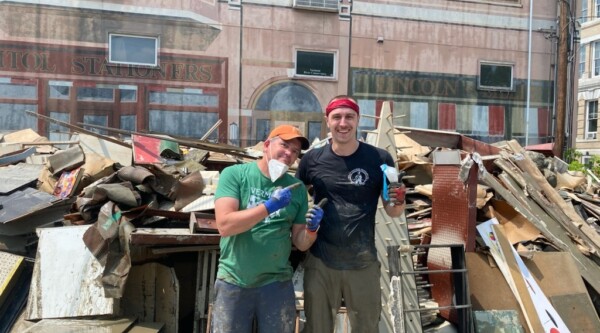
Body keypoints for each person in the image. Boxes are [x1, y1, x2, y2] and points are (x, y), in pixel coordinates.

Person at [295, 95, 407, 332]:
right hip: (320, 262)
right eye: (337, 117)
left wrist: (399, 201)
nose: (343, 123)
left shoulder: (380, 159)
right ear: (328, 121)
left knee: (366, 327)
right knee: (317, 328)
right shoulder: (311, 159)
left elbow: (392, 210)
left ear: (357, 120)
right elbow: (297, 199)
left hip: (363, 262)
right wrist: (305, 220)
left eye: (349, 117)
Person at [212, 124, 324, 333]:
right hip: (234, 281)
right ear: (266, 145)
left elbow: (300, 244)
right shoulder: (235, 174)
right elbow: (225, 225)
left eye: (295, 151)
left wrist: (311, 230)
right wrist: (268, 207)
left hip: (276, 285)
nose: (289, 153)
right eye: (284, 145)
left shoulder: (297, 190)